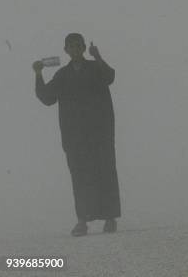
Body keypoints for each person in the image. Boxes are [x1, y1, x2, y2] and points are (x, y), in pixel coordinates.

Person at [33, 33, 121, 237]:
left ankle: (110, 218)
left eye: (77, 45)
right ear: (66, 50)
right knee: (80, 177)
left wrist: (98, 56)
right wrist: (38, 74)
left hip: (100, 132)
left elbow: (110, 77)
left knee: (105, 172)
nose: (74, 49)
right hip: (75, 137)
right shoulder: (62, 75)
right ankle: (82, 221)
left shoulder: (95, 68)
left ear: (83, 47)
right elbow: (46, 97)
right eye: (70, 46)